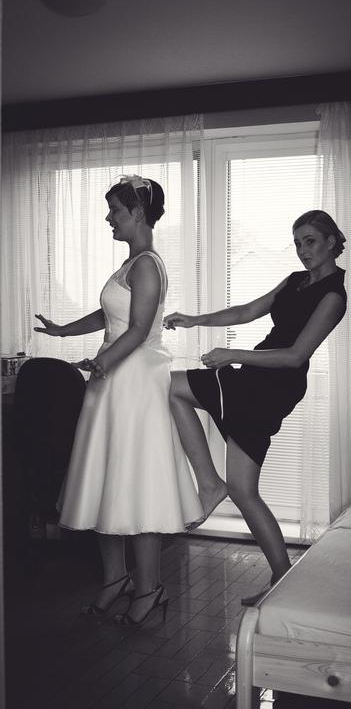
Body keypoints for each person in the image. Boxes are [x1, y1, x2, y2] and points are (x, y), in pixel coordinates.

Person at [35, 175, 203, 624]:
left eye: (115, 211)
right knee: (106, 479)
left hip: (134, 382)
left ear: (138, 213)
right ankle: (115, 580)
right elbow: (110, 314)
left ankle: (149, 588)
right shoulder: (130, 263)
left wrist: (104, 362)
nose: (109, 218)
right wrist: (63, 331)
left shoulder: (147, 264)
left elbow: (140, 329)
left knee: (135, 483)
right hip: (112, 378)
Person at [163, 210, 347, 605]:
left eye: (310, 241)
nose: (302, 250)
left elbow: (296, 355)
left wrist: (233, 353)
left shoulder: (334, 296)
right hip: (254, 376)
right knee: (243, 491)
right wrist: (194, 320)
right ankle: (282, 579)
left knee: (173, 388)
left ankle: (210, 485)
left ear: (331, 241)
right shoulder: (296, 281)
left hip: (272, 385)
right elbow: (246, 311)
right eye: (297, 243)